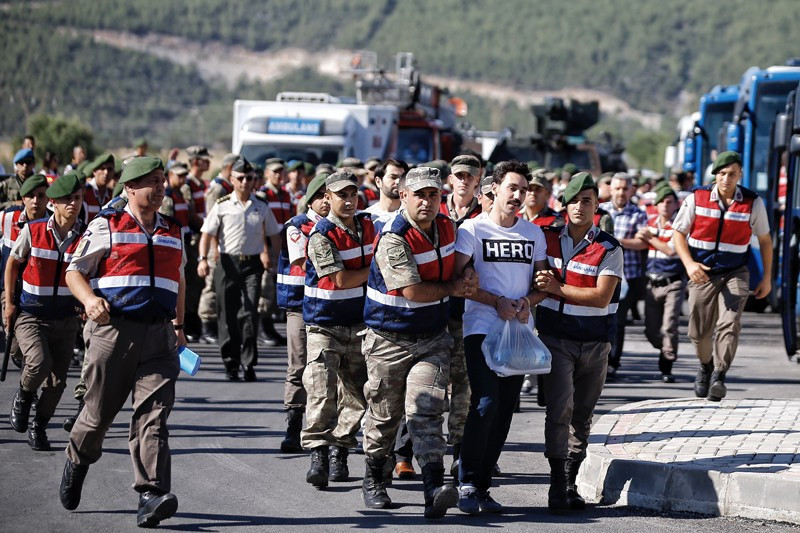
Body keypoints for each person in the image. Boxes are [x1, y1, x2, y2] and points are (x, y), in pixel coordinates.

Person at [60, 157, 187, 528]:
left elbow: (178, 282)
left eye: (163, 180)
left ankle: (151, 494)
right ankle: (77, 460)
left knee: (154, 417)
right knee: (97, 416)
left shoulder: (173, 230)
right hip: (114, 332)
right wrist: (89, 300)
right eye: (152, 182)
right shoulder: (106, 225)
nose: (161, 187)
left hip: (160, 336)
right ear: (129, 188)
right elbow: (74, 271)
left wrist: (179, 326)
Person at [360, 166, 477, 518]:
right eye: (420, 195)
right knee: (384, 415)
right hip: (388, 340)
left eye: (433, 195)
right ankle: (374, 479)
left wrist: (467, 273)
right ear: (404, 196)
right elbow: (411, 290)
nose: (427, 201)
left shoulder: (447, 227)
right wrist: (454, 288)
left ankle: (433, 489)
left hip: (431, 339)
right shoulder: (392, 236)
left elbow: (461, 265)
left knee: (425, 410)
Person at [452, 160, 549, 514]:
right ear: (493, 189)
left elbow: (544, 284)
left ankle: (482, 487)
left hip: (518, 335)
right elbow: (460, 282)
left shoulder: (533, 234)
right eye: (513, 188)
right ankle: (465, 481)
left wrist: (527, 302)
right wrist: (495, 301)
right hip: (480, 328)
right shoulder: (472, 230)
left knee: (505, 409)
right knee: (486, 402)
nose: (519, 195)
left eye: (524, 189)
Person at [535, 172, 623, 513]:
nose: (579, 206)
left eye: (586, 200)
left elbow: (601, 297)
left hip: (596, 343)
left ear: (596, 206)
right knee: (559, 410)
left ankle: (571, 481)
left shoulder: (608, 247)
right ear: (563, 205)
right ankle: (557, 486)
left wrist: (557, 289)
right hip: (556, 339)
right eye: (573, 200)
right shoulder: (545, 239)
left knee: (582, 415)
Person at [672, 151, 772, 401]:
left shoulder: (753, 202)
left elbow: (766, 240)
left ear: (740, 175)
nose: (727, 179)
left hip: (735, 271)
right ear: (715, 175)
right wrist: (689, 264)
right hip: (702, 273)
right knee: (698, 332)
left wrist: (767, 278)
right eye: (722, 174)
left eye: (732, 174)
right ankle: (705, 366)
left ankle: (719, 374)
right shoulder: (697, 197)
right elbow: (678, 234)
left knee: (730, 322)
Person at [301, 170, 376, 489]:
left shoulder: (369, 227)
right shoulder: (321, 234)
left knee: (358, 394)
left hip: (360, 322)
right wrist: (379, 267)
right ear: (327, 198)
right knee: (321, 389)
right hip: (324, 324)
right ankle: (318, 452)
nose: (348, 201)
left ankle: (340, 449)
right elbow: (341, 279)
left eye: (352, 195)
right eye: (341, 195)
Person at [6, 172, 84, 450]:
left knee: (57, 384)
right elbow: (13, 263)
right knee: (39, 363)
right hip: (31, 315)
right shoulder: (33, 230)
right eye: (66, 200)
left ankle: (38, 426)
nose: (73, 204)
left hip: (66, 319)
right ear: (53, 203)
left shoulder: (85, 237)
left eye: (77, 198)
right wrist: (11, 303)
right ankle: (24, 396)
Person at [198, 156, 281, 381]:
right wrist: (202, 259)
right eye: (241, 177)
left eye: (250, 178)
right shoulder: (222, 204)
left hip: (252, 264)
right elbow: (207, 233)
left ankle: (248, 362)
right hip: (227, 263)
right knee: (227, 315)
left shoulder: (261, 206)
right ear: (233, 179)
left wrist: (275, 258)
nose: (246, 182)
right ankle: (231, 363)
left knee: (249, 312)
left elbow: (273, 234)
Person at [275, 173, 329, 453]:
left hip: (326, 304)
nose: (326, 202)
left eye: (328, 196)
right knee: (298, 366)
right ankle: (293, 426)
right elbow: (302, 258)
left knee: (328, 369)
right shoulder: (297, 225)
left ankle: (326, 429)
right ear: (311, 199)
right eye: (320, 196)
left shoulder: (337, 226)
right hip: (299, 305)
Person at [600, 172, 648, 376]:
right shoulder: (602, 212)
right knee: (602, 317)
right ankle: (599, 359)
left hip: (628, 275)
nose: (620, 192)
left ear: (631, 190)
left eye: (624, 188)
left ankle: (612, 362)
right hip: (602, 273)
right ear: (610, 189)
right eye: (617, 188)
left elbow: (642, 242)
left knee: (618, 318)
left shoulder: (638, 214)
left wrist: (616, 241)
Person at [636, 185, 685, 383]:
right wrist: (621, 241)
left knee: (669, 326)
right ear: (656, 205)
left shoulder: (679, 226)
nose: (665, 205)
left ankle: (667, 365)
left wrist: (650, 238)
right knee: (650, 329)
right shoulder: (649, 223)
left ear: (675, 205)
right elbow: (640, 243)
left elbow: (671, 251)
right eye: (662, 202)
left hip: (673, 281)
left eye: (670, 201)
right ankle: (665, 347)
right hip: (652, 282)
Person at [1, 174, 50, 370]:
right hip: (10, 287)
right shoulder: (8, 217)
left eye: (41, 196)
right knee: (13, 344)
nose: (35, 201)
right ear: (23, 198)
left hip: (39, 292)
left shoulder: (54, 222)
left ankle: (30, 383)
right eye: (30, 196)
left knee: (36, 349)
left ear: (48, 198)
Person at [198, 153, 237, 344]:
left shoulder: (228, 187)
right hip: (217, 245)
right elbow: (212, 222)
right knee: (212, 285)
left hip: (227, 244)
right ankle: (206, 324)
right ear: (230, 169)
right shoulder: (218, 189)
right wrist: (213, 249)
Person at [364, 159, 407, 231]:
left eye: (402, 178)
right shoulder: (367, 217)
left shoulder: (411, 215)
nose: (398, 181)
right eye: (393, 177)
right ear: (378, 181)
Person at [82, 153, 115, 221]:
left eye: (110, 169)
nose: (106, 172)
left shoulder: (112, 195)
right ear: (94, 171)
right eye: (102, 168)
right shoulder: (84, 192)